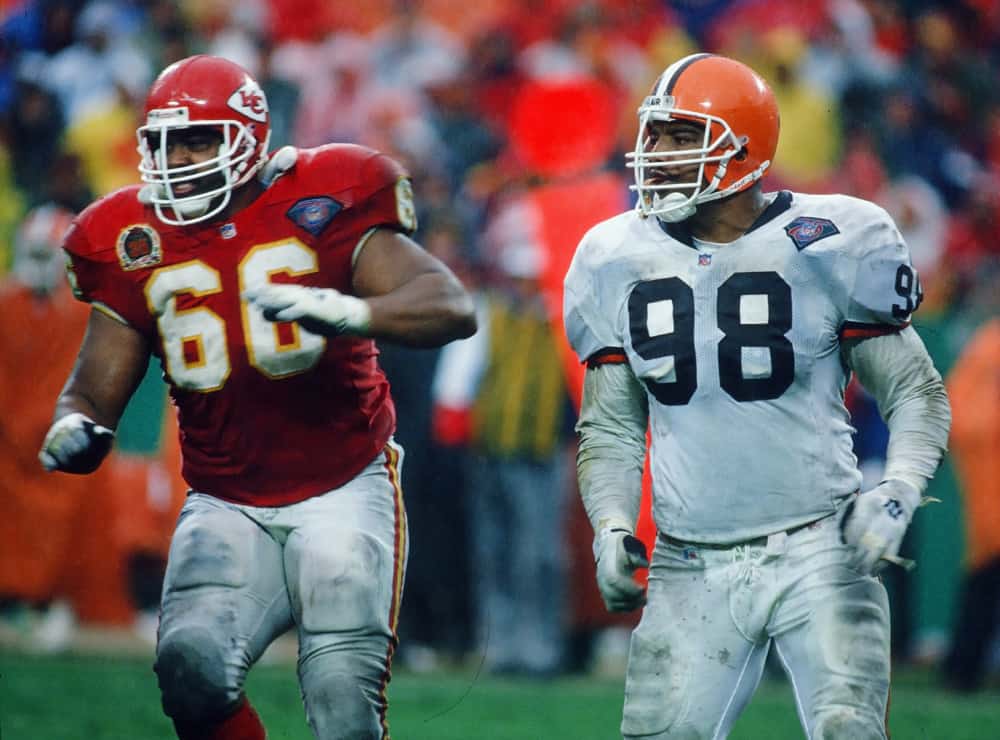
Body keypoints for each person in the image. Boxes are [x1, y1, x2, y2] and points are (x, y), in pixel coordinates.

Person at [38, 54, 476, 740]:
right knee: (190, 670)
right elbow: (93, 389)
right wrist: (77, 424)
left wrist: (345, 311)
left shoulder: (324, 197)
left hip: (343, 483)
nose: (176, 158)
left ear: (245, 139)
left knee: (341, 702)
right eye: (163, 142)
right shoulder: (129, 237)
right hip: (225, 496)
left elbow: (448, 305)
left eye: (197, 139)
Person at [563, 53, 951, 739]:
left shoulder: (834, 238)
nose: (657, 153)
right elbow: (611, 426)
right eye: (654, 135)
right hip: (687, 559)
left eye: (682, 136)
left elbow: (916, 390)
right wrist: (613, 526)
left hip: (820, 546)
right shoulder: (611, 254)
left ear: (744, 146)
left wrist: (896, 492)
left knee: (847, 730)